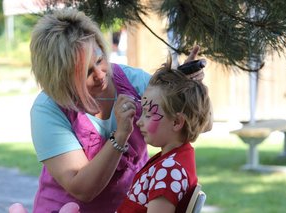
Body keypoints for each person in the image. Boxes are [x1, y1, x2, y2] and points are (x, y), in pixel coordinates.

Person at [21, 8, 205, 213]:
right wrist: (120, 136)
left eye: (100, 60)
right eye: (85, 72)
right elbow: (82, 189)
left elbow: (199, 123)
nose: (100, 75)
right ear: (60, 77)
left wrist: (186, 92)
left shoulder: (131, 80)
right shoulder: (47, 110)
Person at [116, 56, 213, 213]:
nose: (139, 121)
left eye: (148, 114)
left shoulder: (169, 171)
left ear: (176, 122)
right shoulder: (171, 160)